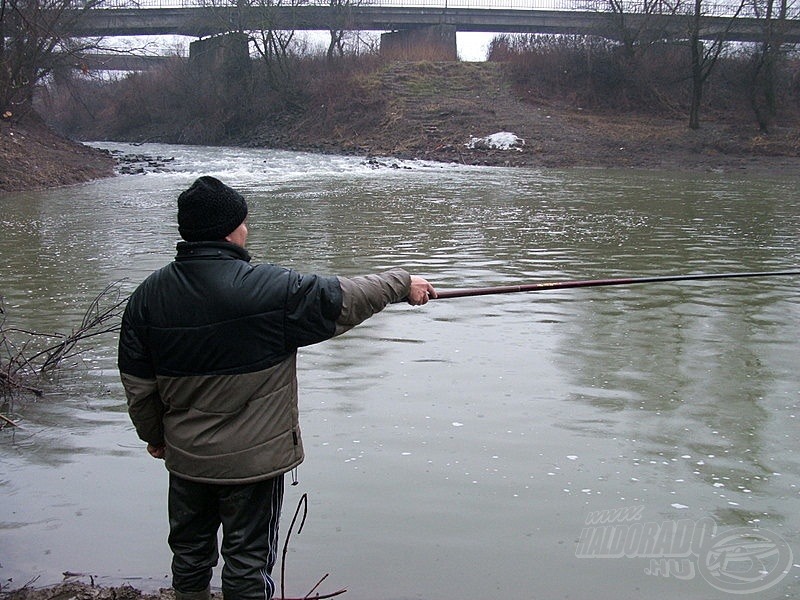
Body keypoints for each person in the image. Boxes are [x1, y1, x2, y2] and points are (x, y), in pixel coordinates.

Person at [118, 176, 437, 600]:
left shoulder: (146, 297)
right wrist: (403, 283)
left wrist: (156, 438)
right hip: (253, 465)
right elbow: (344, 298)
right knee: (247, 565)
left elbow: (138, 387)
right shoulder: (270, 291)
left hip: (187, 459)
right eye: (244, 222)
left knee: (190, 556)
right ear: (230, 230)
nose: (246, 230)